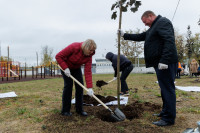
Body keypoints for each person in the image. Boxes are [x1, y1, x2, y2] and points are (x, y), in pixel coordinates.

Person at [118, 10, 178, 126]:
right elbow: (141, 36)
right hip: (159, 63)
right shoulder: (153, 27)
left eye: (145, 22)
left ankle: (168, 119)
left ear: (150, 16)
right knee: (163, 88)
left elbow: (169, 40)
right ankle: (165, 111)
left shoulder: (162, 22)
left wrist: (165, 60)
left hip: (166, 63)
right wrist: (124, 35)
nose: (145, 24)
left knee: (168, 89)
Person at [55, 39, 96, 116]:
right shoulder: (74, 47)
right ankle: (65, 111)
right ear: (85, 48)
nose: (92, 52)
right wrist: (65, 68)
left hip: (76, 68)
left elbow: (88, 72)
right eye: (90, 50)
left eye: (93, 50)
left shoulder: (89, 56)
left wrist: (89, 87)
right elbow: (58, 56)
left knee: (80, 86)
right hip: (66, 67)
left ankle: (79, 110)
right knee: (68, 86)